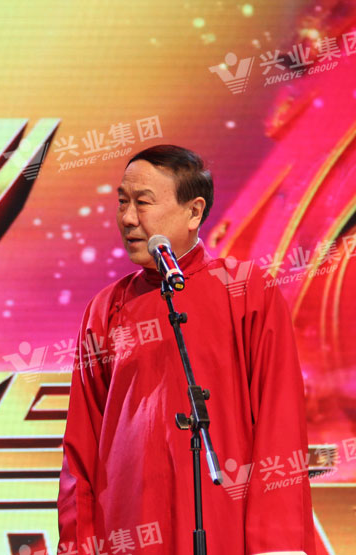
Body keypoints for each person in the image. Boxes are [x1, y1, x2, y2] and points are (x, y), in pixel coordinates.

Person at [58, 145, 316, 554]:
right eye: (122, 202)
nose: (128, 218)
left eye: (143, 202)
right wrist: (78, 544)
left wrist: (276, 542)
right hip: (130, 532)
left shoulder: (245, 291)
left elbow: (279, 424)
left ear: (194, 212)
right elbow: (81, 450)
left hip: (225, 527)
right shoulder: (105, 310)